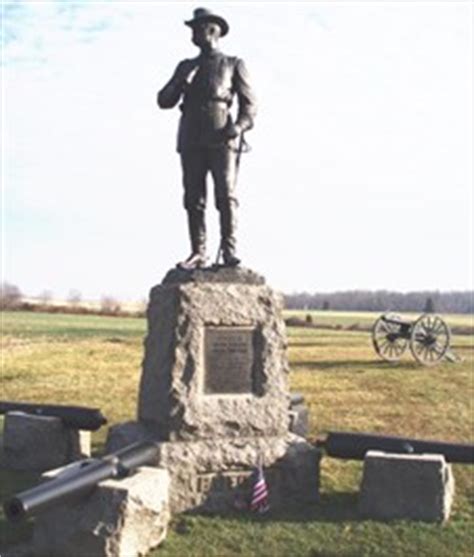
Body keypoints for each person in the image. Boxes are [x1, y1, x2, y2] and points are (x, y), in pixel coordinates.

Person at [157, 8, 257, 269]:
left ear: (212, 30)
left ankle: (229, 251)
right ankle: (198, 252)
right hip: (191, 136)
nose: (193, 33)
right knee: (193, 198)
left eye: (197, 28)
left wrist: (239, 126)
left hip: (221, 136)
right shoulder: (186, 66)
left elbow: (250, 105)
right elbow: (163, 101)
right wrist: (180, 82)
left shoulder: (233, 63)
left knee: (225, 195)